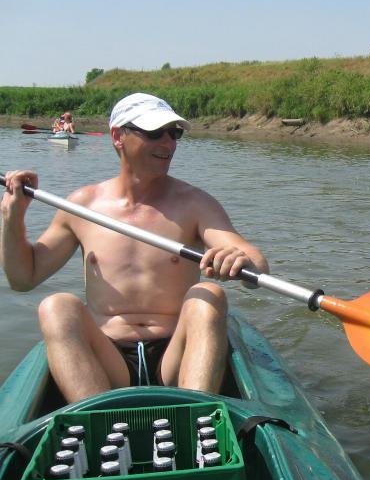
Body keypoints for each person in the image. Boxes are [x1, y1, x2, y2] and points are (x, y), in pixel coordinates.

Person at [1, 92, 269, 403]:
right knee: (57, 306)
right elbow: (24, 278)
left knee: (209, 293)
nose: (168, 143)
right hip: (108, 357)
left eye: (174, 133)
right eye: (155, 133)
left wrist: (240, 260)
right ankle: (97, 418)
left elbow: (255, 262)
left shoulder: (195, 203)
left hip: (176, 354)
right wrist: (12, 216)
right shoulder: (82, 205)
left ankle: (195, 414)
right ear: (118, 136)